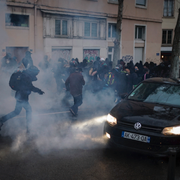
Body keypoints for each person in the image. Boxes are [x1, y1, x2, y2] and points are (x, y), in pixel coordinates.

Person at [0, 66, 44, 134]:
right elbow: (31, 87)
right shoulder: (26, 77)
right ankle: (29, 127)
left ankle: (2, 120)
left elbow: (29, 86)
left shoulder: (25, 75)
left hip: (20, 96)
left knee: (17, 112)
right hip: (22, 97)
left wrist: (38, 91)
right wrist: (39, 91)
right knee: (28, 110)